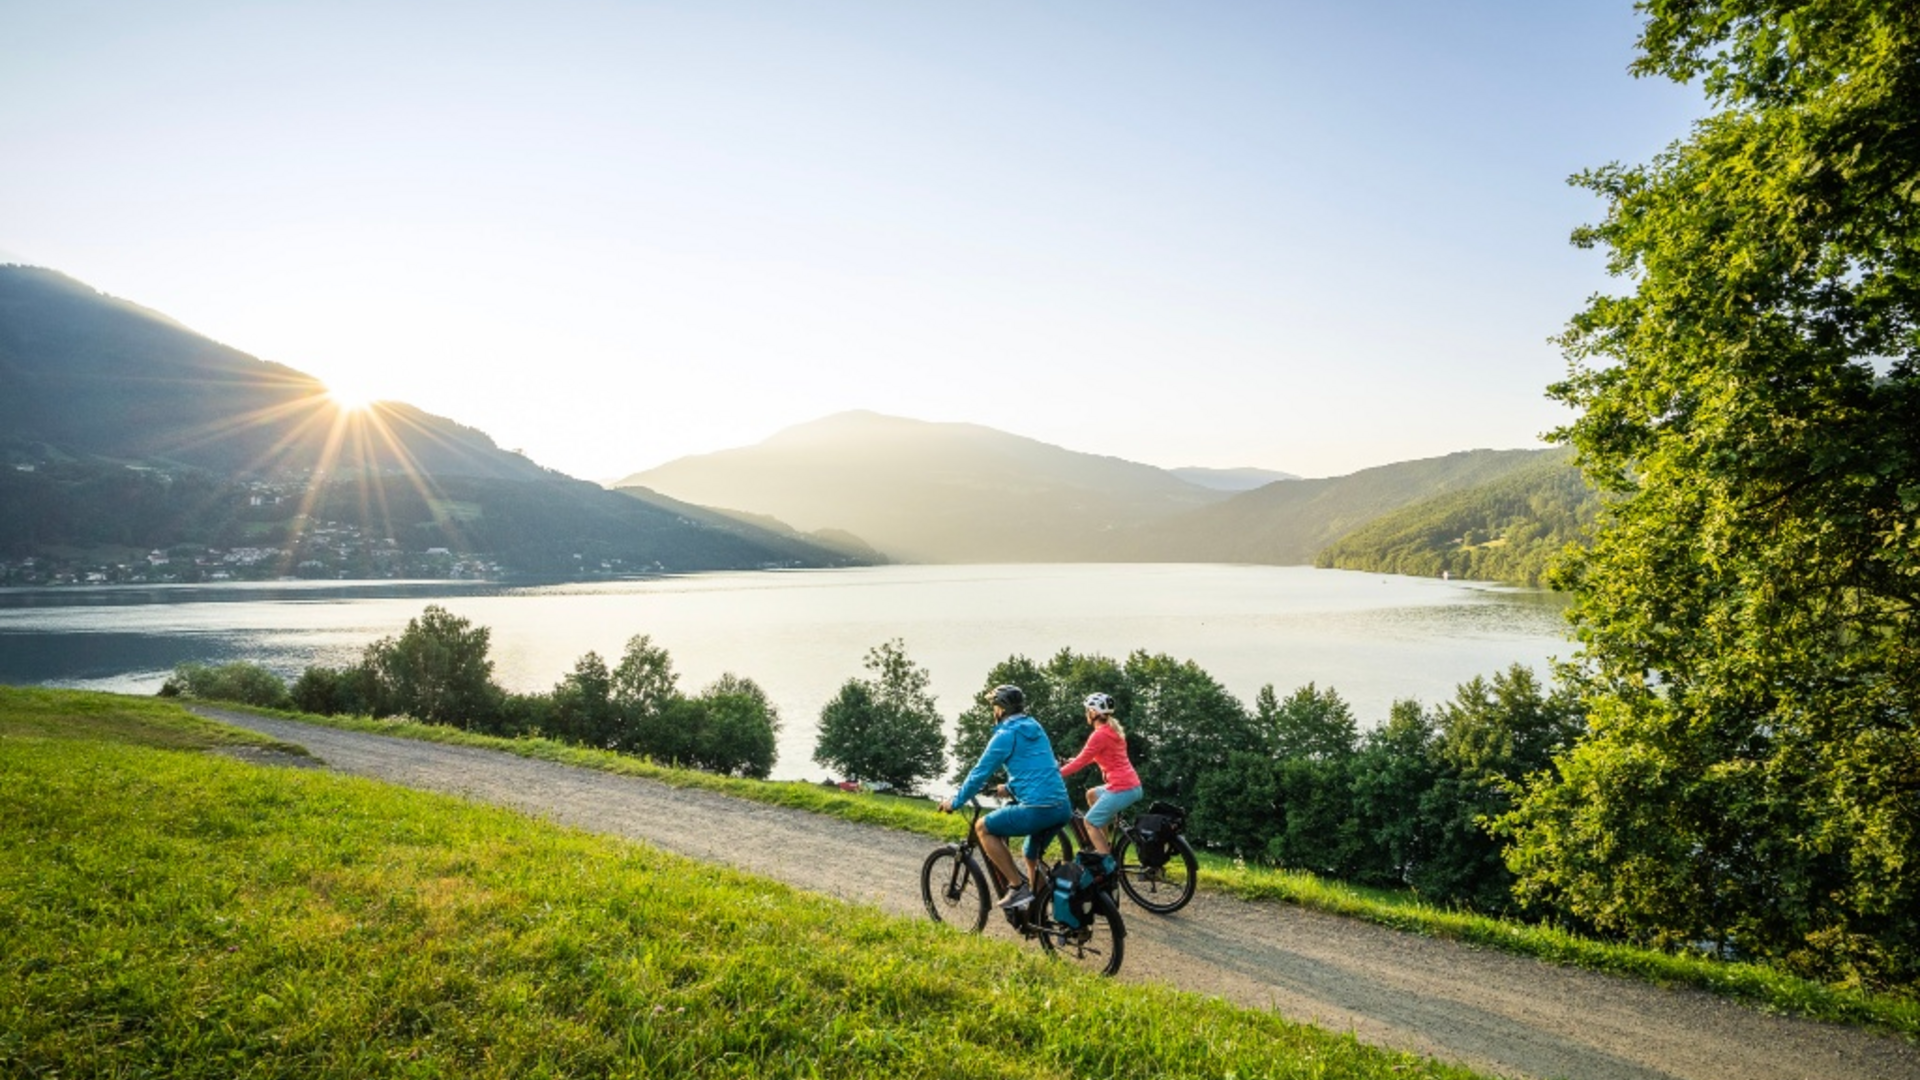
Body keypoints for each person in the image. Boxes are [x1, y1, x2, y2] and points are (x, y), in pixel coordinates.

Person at [938, 684, 1071, 910]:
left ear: (1000, 709)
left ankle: (1018, 887)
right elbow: (1040, 767)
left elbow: (979, 774)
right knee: (1031, 855)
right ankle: (1038, 913)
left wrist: (956, 801)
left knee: (983, 827)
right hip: (1062, 807)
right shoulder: (1035, 727)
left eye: (994, 706)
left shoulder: (1004, 735)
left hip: (1037, 809)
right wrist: (1010, 787)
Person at [1057, 691, 1142, 855]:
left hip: (1122, 788)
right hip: (1131, 785)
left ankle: (1106, 862)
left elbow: (1081, 762)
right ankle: (1105, 845)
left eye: (1087, 710)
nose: (1086, 714)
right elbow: (1093, 757)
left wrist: (1056, 774)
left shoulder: (1099, 735)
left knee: (1089, 822)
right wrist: (1071, 761)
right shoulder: (1112, 731)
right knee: (1092, 794)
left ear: (1094, 712)